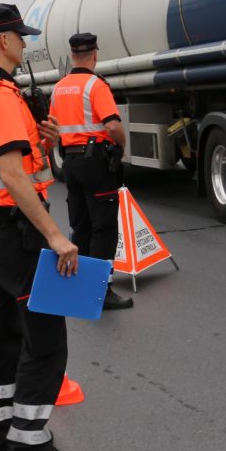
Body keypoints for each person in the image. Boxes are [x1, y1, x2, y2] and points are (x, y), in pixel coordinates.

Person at [0, 3, 86, 451]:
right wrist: (56, 237)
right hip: (20, 232)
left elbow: (7, 165)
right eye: (22, 36)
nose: (26, 44)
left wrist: (44, 144)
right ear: (6, 42)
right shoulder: (0, 96)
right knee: (46, 339)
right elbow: (13, 176)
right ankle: (29, 446)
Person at [48, 32, 132, 310]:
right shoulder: (96, 86)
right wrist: (122, 144)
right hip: (96, 163)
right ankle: (100, 291)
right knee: (104, 228)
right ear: (94, 55)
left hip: (70, 163)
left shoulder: (59, 88)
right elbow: (111, 125)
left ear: (73, 56)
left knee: (81, 226)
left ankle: (78, 285)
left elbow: (53, 127)